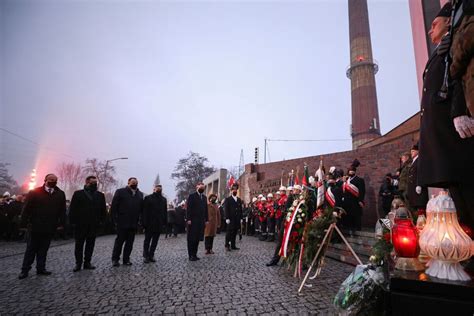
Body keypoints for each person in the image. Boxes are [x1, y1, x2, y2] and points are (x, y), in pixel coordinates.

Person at [418, 3, 474, 231]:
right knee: (460, 201)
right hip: (442, 135)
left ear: (448, 22)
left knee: (468, 193)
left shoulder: (453, 45)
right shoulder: (441, 50)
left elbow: (458, 78)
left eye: (434, 24)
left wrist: (460, 110)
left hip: (454, 133)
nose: (430, 30)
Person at [18, 174, 66, 279]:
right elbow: (26, 209)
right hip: (35, 225)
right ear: (45, 180)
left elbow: (62, 211)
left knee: (44, 249)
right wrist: (23, 224)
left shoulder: (60, 194)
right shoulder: (35, 192)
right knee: (31, 249)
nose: (53, 181)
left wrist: (62, 223)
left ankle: (41, 268)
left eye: (55, 180)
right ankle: (25, 270)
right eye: (51, 180)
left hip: (50, 226)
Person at [69, 176, 106, 272]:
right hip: (80, 224)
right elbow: (73, 209)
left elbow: (103, 210)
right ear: (87, 183)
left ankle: (87, 262)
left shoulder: (100, 195)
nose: (95, 184)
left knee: (90, 245)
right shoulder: (78, 194)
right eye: (93, 183)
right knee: (79, 245)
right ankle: (78, 263)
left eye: (96, 183)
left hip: (93, 225)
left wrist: (102, 222)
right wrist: (72, 222)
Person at [111, 177, 144, 267]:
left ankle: (126, 259)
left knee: (130, 243)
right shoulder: (120, 192)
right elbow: (114, 207)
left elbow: (141, 209)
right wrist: (114, 220)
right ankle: (115, 259)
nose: (134, 184)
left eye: (136, 183)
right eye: (132, 182)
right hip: (122, 222)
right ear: (128, 183)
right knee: (119, 242)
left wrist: (140, 221)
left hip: (133, 223)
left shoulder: (140, 194)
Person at [266, 184, 300, 266]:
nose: (292, 191)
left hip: (296, 224)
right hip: (285, 222)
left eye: (294, 190)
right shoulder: (289, 198)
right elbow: (285, 210)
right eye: (291, 190)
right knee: (280, 241)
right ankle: (275, 259)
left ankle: (297, 262)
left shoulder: (300, 199)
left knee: (296, 243)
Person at [142, 184, 167, 263]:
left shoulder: (163, 199)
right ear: (154, 189)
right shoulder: (148, 198)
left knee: (155, 241)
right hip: (149, 223)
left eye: (160, 188)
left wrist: (164, 223)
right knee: (147, 240)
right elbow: (144, 212)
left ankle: (151, 255)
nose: (159, 189)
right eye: (157, 188)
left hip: (158, 223)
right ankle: (146, 256)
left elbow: (164, 212)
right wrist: (144, 223)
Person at [186, 182, 208, 261]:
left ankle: (195, 254)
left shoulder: (204, 197)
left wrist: (207, 219)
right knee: (192, 239)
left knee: (197, 238)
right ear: (197, 187)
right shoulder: (192, 196)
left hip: (201, 221)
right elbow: (189, 209)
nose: (202, 188)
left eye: (203, 187)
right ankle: (191, 255)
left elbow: (206, 209)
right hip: (193, 221)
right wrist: (188, 219)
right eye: (201, 187)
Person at [342, 159, 366, 232]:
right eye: (350, 171)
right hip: (347, 202)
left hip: (355, 202)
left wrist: (360, 200)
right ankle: (348, 228)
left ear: (355, 171)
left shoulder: (359, 180)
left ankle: (356, 229)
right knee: (348, 216)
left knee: (356, 216)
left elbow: (362, 191)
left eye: (352, 171)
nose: (351, 172)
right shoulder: (346, 180)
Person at [407, 144, 428, 215]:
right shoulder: (413, 161)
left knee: (420, 207)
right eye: (411, 151)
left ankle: (421, 223)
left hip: (418, 187)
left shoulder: (420, 160)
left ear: (418, 151)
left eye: (413, 151)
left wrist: (419, 184)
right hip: (413, 188)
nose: (411, 153)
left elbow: (421, 172)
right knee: (415, 208)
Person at [223, 183, 243, 250]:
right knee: (229, 232)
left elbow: (240, 209)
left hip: (237, 219)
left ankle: (233, 245)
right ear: (231, 191)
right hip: (230, 219)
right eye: (233, 189)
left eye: (236, 189)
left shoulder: (239, 200)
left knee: (235, 232)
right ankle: (227, 245)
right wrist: (227, 218)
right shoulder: (228, 199)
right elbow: (226, 209)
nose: (235, 191)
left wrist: (241, 218)